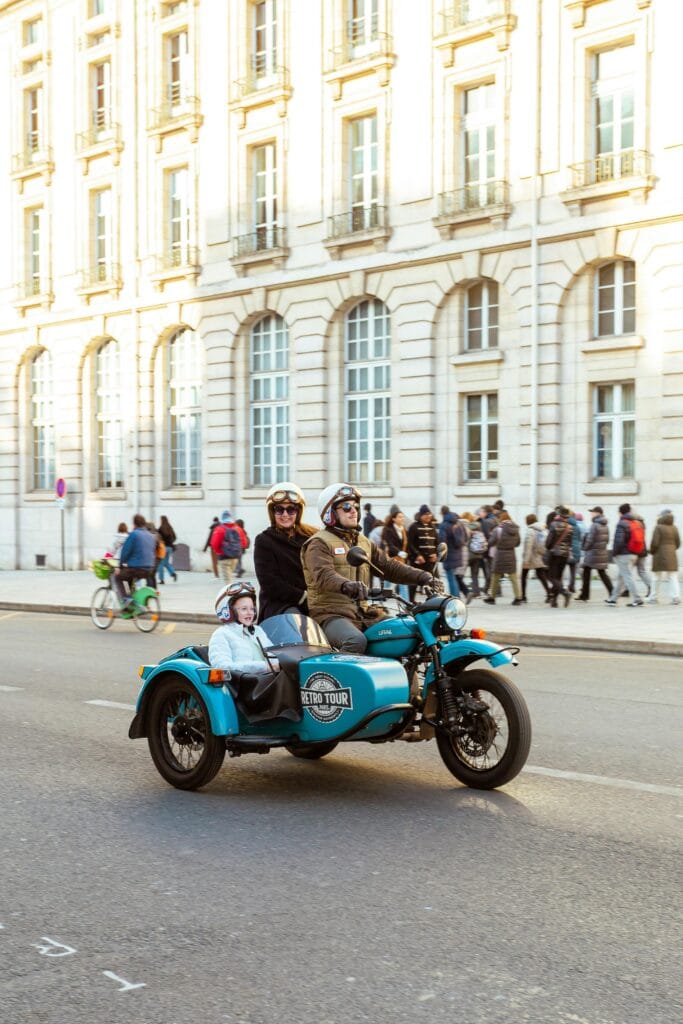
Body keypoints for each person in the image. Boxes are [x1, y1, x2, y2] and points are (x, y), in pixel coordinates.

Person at [301, 483, 439, 653]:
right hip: (330, 614)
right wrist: (346, 585)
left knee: (405, 633)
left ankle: (407, 679)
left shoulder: (363, 542)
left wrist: (424, 577)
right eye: (346, 507)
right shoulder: (318, 543)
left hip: (364, 613)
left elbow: (389, 567)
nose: (353, 511)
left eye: (355, 506)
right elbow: (323, 575)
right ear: (330, 512)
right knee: (355, 641)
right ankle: (343, 680)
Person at [208, 583, 300, 724]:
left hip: (264, 682)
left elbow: (272, 653)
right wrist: (263, 666)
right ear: (229, 611)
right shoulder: (221, 634)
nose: (250, 612)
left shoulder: (257, 631)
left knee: (296, 670)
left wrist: (286, 659)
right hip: (244, 688)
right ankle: (286, 718)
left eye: (252, 608)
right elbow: (222, 666)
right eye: (244, 609)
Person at [253, 482, 317, 622]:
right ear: (272, 512)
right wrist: (302, 596)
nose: (285, 514)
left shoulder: (311, 536)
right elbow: (269, 582)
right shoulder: (264, 540)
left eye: (291, 509)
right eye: (279, 509)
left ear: (298, 511)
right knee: (298, 623)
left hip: (312, 601)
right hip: (280, 604)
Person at [113, 513, 157, 607]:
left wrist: (120, 566)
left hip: (136, 568)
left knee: (118, 577)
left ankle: (126, 600)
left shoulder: (134, 534)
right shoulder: (151, 535)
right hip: (150, 568)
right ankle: (132, 605)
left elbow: (125, 551)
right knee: (130, 581)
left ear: (134, 524)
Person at [606, 503, 642, 607]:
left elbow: (619, 541)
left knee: (627, 577)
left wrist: (614, 553)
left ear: (620, 512)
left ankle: (637, 598)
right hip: (634, 553)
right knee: (621, 577)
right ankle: (613, 599)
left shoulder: (622, 523)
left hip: (623, 555)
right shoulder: (635, 522)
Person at [484, 511, 522, 604]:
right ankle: (518, 597)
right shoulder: (516, 529)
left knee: (495, 576)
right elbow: (518, 543)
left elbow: (491, 542)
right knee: (513, 577)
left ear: (501, 519)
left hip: (500, 554)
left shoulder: (498, 529)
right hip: (511, 554)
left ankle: (492, 598)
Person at [576, 506, 612, 602]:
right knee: (601, 573)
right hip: (601, 552)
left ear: (598, 513)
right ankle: (612, 593)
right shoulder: (605, 525)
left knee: (588, 572)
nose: (591, 514)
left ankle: (585, 595)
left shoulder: (594, 525)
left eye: (592, 512)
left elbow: (590, 540)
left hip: (592, 553)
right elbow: (607, 540)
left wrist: (584, 548)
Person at [648, 509, 680, 605]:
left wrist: (652, 551)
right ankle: (675, 597)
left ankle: (653, 597)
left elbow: (655, 543)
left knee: (656, 577)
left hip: (659, 554)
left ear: (661, 516)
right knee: (672, 576)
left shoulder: (658, 527)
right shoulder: (674, 527)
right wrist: (671, 549)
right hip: (672, 555)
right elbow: (678, 543)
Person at [407, 504, 439, 601]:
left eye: (430, 514)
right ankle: (411, 601)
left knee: (434, 582)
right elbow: (410, 544)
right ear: (421, 515)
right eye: (426, 514)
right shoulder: (414, 527)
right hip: (418, 561)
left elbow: (437, 542)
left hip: (430, 561)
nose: (429, 516)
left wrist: (436, 553)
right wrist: (417, 555)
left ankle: (434, 601)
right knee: (413, 581)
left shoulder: (433, 527)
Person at [545, 506, 574, 608]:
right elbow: (570, 543)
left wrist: (548, 547)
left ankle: (565, 592)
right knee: (558, 578)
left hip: (555, 554)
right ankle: (554, 601)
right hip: (565, 555)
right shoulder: (570, 527)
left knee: (551, 577)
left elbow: (549, 542)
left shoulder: (554, 525)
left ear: (559, 515)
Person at [380, 507, 410, 601]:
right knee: (388, 581)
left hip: (402, 559)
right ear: (394, 519)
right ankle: (381, 598)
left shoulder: (403, 530)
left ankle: (406, 601)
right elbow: (390, 544)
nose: (402, 519)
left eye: (403, 517)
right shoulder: (388, 530)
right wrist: (399, 552)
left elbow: (407, 544)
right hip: (392, 557)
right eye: (400, 517)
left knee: (402, 581)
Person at [210, 510, 247, 585]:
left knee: (227, 582)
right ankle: (232, 593)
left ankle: (231, 595)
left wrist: (219, 552)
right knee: (229, 577)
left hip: (224, 558)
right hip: (235, 558)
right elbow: (244, 543)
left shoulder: (219, 529)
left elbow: (214, 544)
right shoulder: (238, 529)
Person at [441, 511, 469, 600]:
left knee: (450, 578)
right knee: (454, 577)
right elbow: (466, 538)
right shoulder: (459, 524)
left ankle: (455, 598)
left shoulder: (444, 525)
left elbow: (442, 540)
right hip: (458, 554)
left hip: (448, 554)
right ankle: (457, 597)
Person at [521, 513, 549, 602]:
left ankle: (523, 596)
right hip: (538, 556)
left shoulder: (530, 531)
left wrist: (526, 560)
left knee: (523, 576)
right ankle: (549, 593)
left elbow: (528, 546)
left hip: (530, 557)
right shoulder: (542, 530)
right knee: (541, 575)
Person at [156, 515, 178, 584]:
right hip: (170, 548)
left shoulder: (160, 529)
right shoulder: (170, 528)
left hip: (163, 548)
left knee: (160, 564)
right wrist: (170, 542)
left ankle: (161, 580)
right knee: (166, 563)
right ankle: (173, 573)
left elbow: (158, 539)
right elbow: (175, 537)